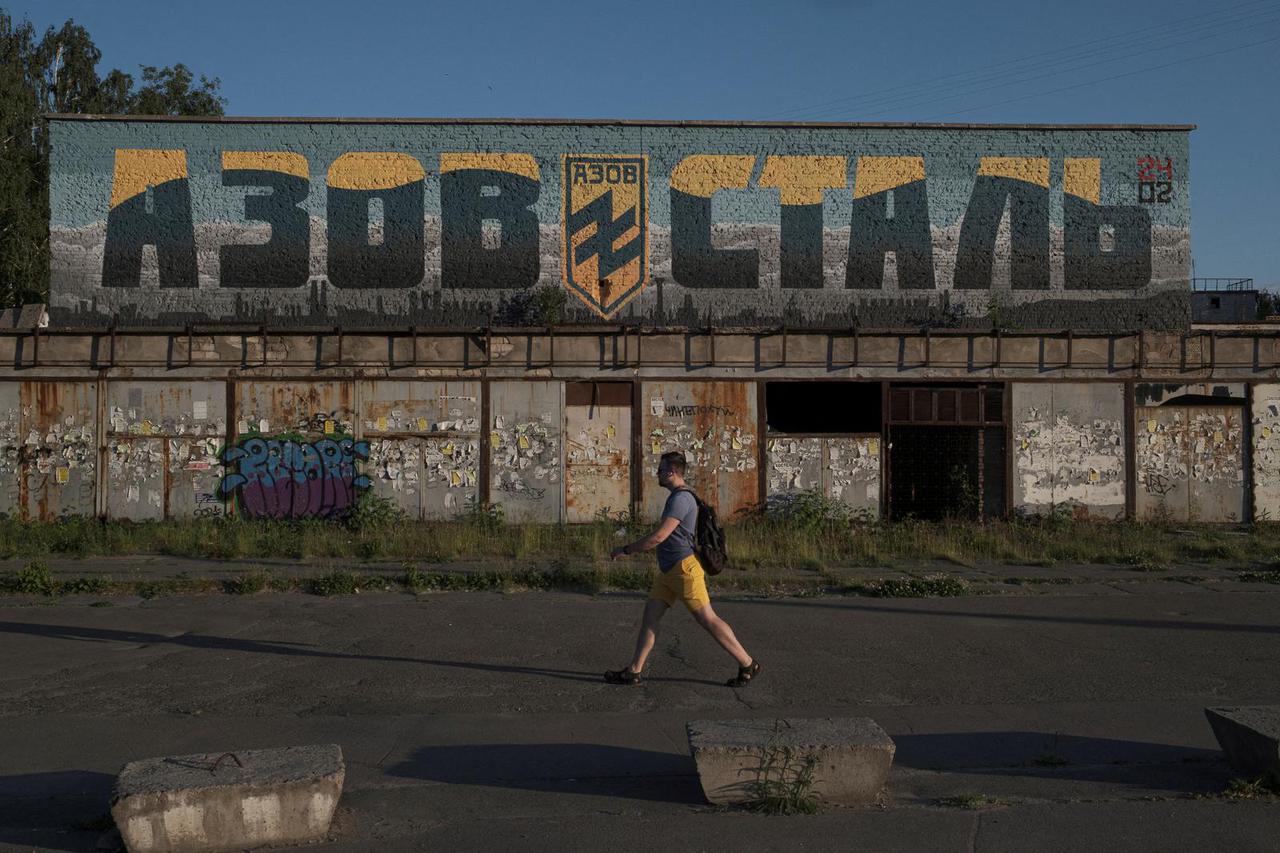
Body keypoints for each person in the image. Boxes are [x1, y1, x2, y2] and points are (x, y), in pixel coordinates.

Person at [604, 450, 760, 688]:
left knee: (708, 619)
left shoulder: (681, 499)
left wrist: (625, 549)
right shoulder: (678, 496)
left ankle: (747, 663)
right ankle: (634, 671)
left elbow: (659, 536)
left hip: (684, 569)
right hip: (669, 572)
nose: (658, 472)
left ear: (673, 472)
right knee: (650, 617)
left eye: (661, 468)